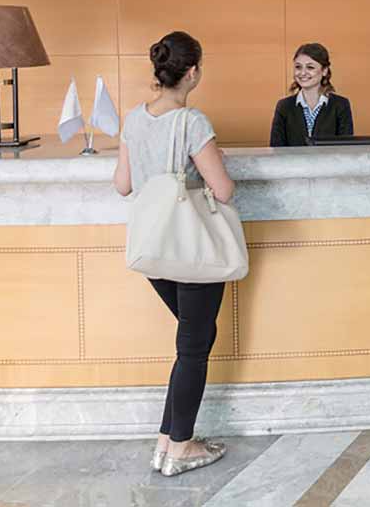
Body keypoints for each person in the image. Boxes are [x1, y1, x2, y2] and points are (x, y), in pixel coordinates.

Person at [112, 31, 234, 477]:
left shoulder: (133, 119)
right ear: (194, 71)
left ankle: (168, 439)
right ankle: (180, 447)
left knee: (192, 341)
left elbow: (123, 184)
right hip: (191, 248)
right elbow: (222, 189)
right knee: (194, 346)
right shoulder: (192, 122)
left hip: (153, 248)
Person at [270, 43, 354, 146]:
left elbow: (345, 149)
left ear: (324, 71)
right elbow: (276, 149)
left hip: (329, 162)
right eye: (298, 67)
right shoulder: (284, 106)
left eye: (310, 67)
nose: (303, 73)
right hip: (293, 162)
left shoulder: (341, 105)